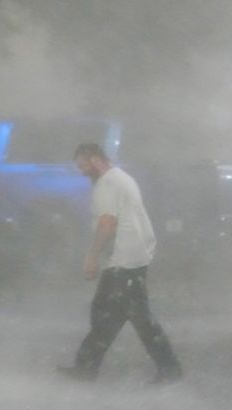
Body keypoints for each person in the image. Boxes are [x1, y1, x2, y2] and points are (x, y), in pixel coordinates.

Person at [58, 142, 183, 384]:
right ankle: (86, 366)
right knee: (106, 313)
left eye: (84, 166)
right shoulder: (122, 177)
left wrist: (91, 256)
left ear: (95, 160)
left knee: (135, 318)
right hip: (131, 258)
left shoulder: (108, 183)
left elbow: (108, 223)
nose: (82, 172)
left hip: (124, 261)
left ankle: (169, 370)